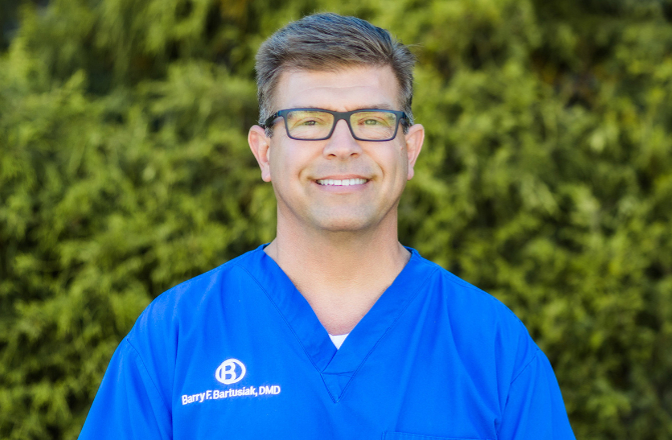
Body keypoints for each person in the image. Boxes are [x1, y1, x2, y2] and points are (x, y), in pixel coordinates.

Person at [79, 13, 575, 439]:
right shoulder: (174, 336)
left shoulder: (492, 346)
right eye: (310, 121)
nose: (342, 147)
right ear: (264, 151)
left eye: (373, 120)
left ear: (410, 148)